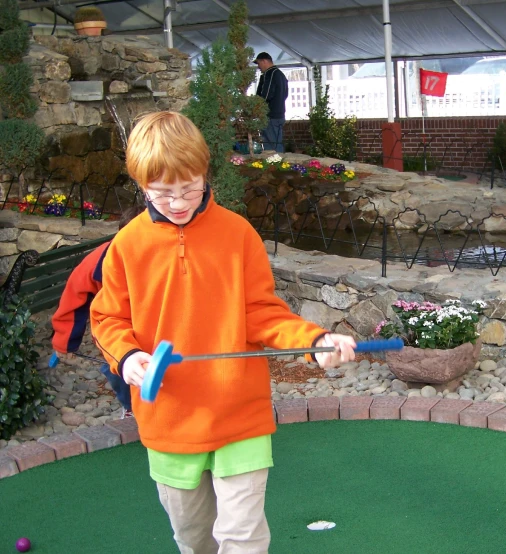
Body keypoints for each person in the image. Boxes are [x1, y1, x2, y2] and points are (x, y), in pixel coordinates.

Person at [89, 111, 356, 554]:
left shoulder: (237, 235)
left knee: (243, 539)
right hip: (170, 420)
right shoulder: (127, 246)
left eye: (189, 188)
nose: (178, 203)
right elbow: (107, 320)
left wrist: (313, 342)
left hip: (240, 416)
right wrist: (129, 356)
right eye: (162, 193)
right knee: (193, 539)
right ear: (141, 186)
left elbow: (263, 313)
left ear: (205, 173)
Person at [51, 205, 144, 419]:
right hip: (115, 324)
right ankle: (130, 407)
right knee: (116, 365)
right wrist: (65, 342)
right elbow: (74, 296)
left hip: (153, 321)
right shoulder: (99, 260)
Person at [254, 51, 288, 153]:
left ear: (264, 61)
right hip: (279, 114)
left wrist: (256, 107)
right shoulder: (281, 74)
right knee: (277, 143)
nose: (258, 67)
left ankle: (276, 166)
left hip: (270, 115)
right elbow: (285, 94)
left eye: (259, 64)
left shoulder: (270, 74)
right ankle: (277, 165)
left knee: (271, 146)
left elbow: (266, 95)